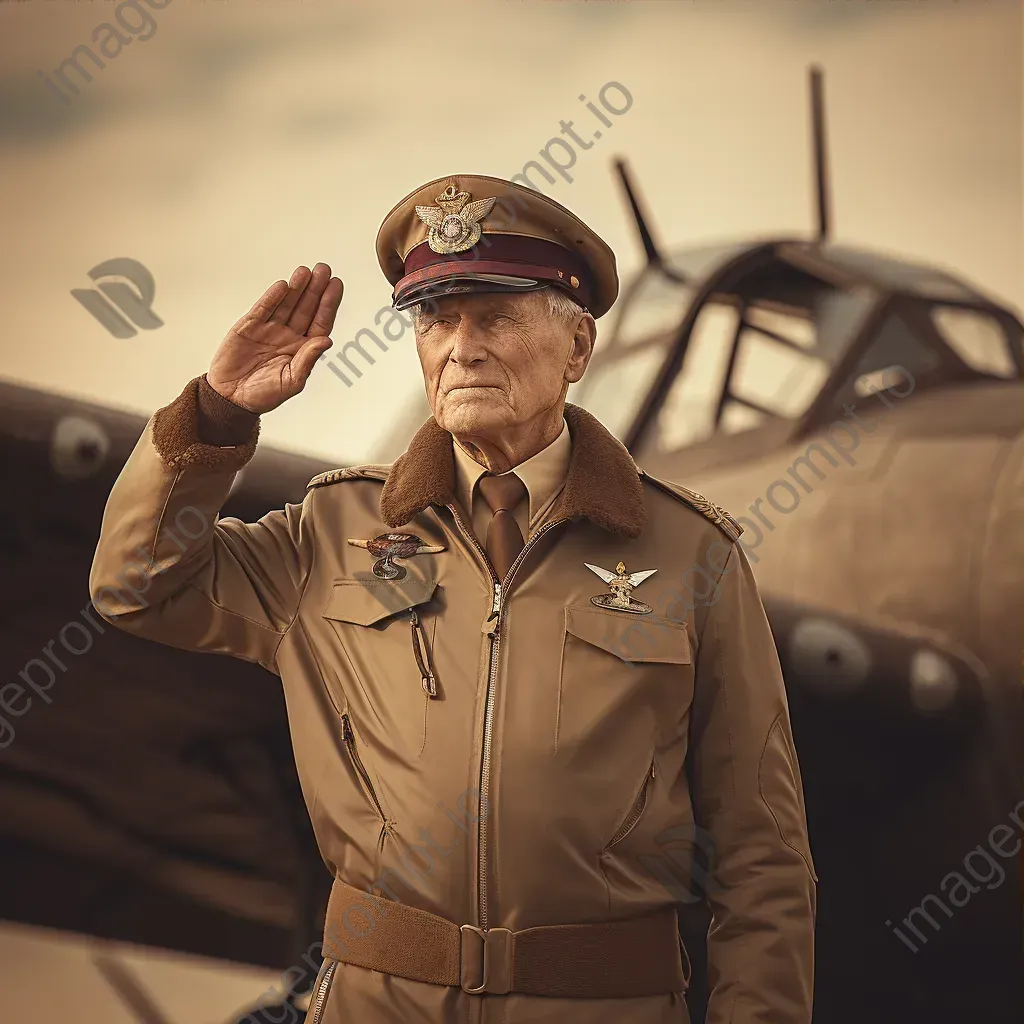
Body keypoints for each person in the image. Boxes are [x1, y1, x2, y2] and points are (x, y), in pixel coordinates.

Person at [90, 174, 816, 1023]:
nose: (461, 347)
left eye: (497, 316)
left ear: (577, 348)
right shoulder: (331, 529)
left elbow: (762, 854)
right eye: (436, 319)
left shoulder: (695, 553)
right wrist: (214, 416)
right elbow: (136, 585)